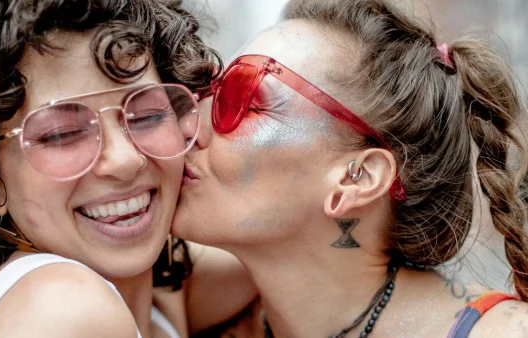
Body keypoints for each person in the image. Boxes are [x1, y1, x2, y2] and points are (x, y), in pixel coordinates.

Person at [173, 0, 528, 336]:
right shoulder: (176, 313)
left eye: (243, 98)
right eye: (207, 90)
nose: (189, 125)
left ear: (355, 178)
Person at [0, 1, 256, 337]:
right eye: (62, 134)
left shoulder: (165, 296)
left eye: (147, 115)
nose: (125, 160)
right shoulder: (63, 310)